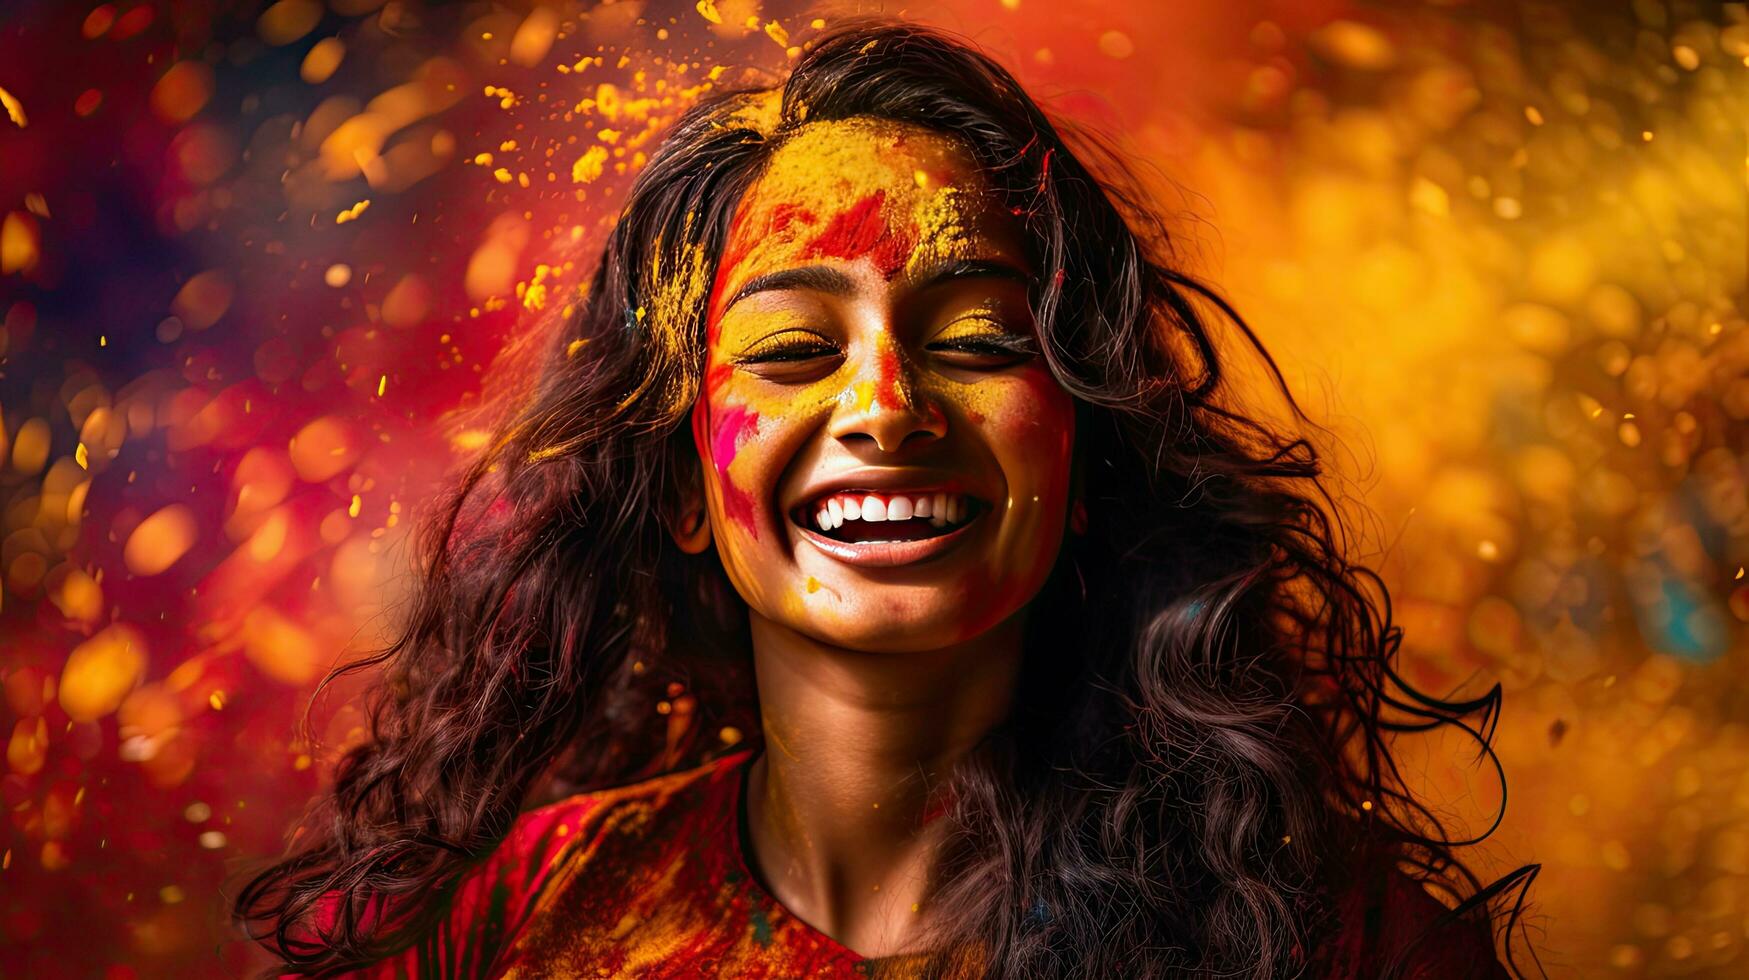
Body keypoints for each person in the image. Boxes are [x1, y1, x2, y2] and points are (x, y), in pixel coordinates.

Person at [238, 21, 1532, 979]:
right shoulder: (520, 921)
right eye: (794, 351)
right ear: (683, 484)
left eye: (975, 340)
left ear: (1082, 456)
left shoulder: (1327, 938)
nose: (886, 406)